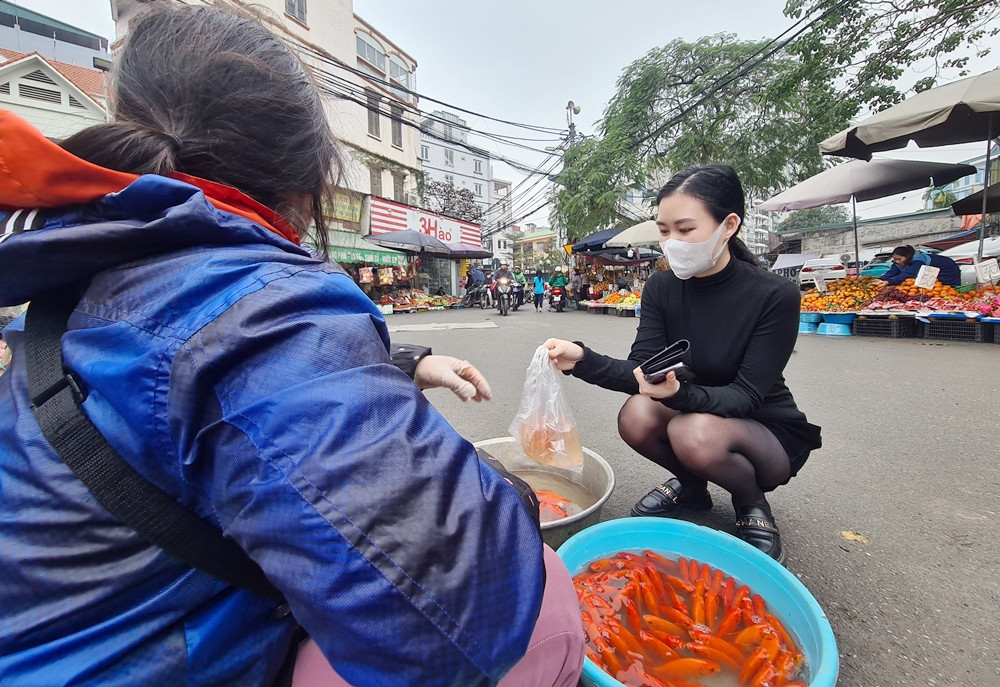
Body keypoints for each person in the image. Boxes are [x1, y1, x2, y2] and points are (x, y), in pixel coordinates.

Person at [0, 6, 584, 687]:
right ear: (309, 182)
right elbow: (454, 615)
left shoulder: (100, 263)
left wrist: (405, 361)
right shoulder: (264, 305)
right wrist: (506, 493)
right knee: (541, 601)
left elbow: (196, 375)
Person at [543, 164, 821, 564]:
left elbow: (746, 395)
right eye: (663, 229)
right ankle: (692, 488)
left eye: (685, 230)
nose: (671, 242)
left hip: (763, 427)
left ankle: (751, 502)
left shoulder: (774, 294)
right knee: (636, 414)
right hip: (695, 410)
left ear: (728, 225)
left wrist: (680, 394)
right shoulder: (662, 286)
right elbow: (640, 370)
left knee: (694, 432)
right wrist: (581, 360)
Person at [878, 245, 961, 287]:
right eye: (895, 260)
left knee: (943, 289)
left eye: (899, 259)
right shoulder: (898, 263)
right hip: (933, 274)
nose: (897, 262)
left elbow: (909, 274)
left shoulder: (918, 261)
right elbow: (892, 273)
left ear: (908, 257)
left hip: (947, 271)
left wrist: (889, 282)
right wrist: (879, 280)